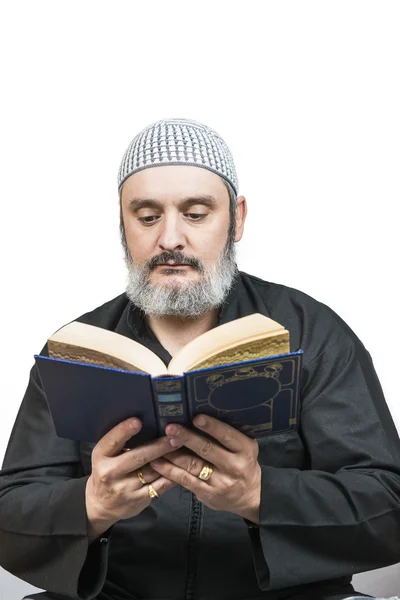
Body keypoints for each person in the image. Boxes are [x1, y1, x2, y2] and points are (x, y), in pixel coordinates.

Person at [0, 118, 399, 600]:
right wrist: (89, 506)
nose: (170, 239)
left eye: (195, 213)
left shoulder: (313, 333)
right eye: (147, 217)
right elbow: (10, 513)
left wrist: (260, 495)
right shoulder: (78, 348)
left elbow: (388, 504)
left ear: (237, 218)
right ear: (121, 223)